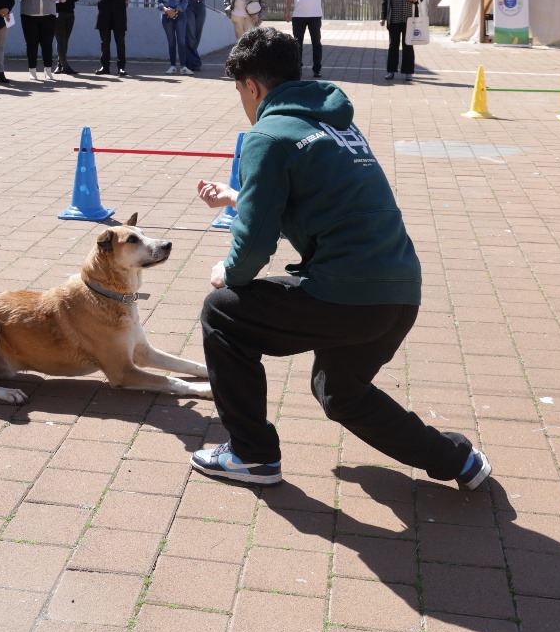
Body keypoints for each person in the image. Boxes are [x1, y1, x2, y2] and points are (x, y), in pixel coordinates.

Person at [189, 27, 491, 491]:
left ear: (252, 85)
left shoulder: (267, 135)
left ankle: (252, 455)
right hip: (399, 292)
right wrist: (236, 197)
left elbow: (251, 252)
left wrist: (228, 272)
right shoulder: (338, 124)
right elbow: (314, 198)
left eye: (239, 92)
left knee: (223, 313)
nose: (243, 104)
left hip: (346, 294)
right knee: (341, 393)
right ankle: (458, 459)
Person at [378, 0, 423, 83]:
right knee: (393, 46)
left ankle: (408, 72)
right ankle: (390, 71)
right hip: (394, 19)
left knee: (408, 45)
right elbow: (385, 1)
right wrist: (383, 17)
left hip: (410, 20)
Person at [17, 0, 61, 81]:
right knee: (31, 44)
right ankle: (32, 70)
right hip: (29, 16)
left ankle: (48, 70)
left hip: (48, 16)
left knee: (47, 44)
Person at [284, 0, 328, 78]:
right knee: (297, 44)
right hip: (298, 16)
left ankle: (317, 69)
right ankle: (298, 68)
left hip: (315, 15)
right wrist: (287, 11)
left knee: (316, 43)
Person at [94, 0, 129, 75]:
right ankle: (105, 67)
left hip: (119, 14)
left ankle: (121, 67)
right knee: (105, 42)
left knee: (120, 42)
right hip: (104, 14)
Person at [52, 0, 81, 75]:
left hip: (70, 14)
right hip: (58, 14)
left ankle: (60, 64)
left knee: (65, 40)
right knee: (60, 40)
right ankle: (65, 66)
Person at [157, 0, 188, 73]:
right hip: (166, 16)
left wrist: (175, 10)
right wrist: (166, 10)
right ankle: (172, 66)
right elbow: (159, 2)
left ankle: (183, 67)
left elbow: (185, 2)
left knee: (181, 41)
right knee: (171, 41)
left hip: (180, 15)